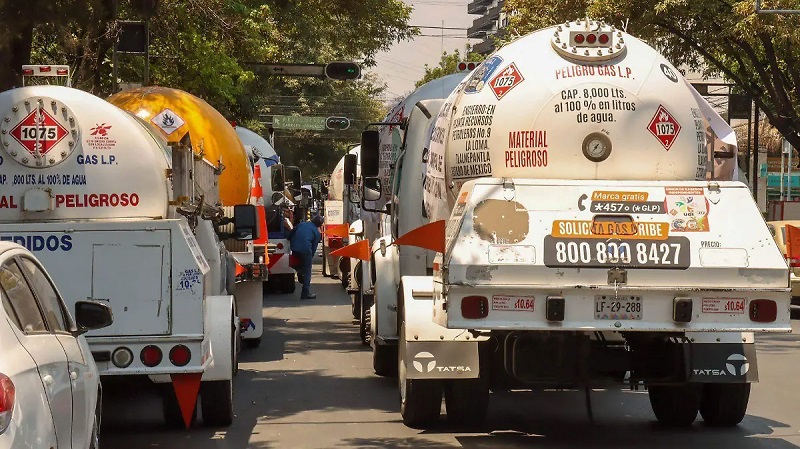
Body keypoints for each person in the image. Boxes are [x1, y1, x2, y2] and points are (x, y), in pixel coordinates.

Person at [287, 214, 323, 299]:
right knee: (307, 272)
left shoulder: (302, 224)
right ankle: (305, 293)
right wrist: (310, 258)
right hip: (306, 251)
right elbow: (313, 248)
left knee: (296, 263)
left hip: (294, 248)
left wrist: (288, 238)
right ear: (320, 225)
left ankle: (299, 270)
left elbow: (292, 231)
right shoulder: (317, 233)